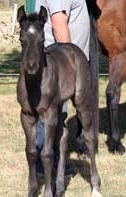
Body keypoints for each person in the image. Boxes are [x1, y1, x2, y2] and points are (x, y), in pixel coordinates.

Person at [34, 0, 91, 174]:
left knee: (55, 113)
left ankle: (51, 158)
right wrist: (71, 63)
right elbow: (59, 25)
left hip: (60, 61)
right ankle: (47, 160)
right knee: (52, 114)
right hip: (60, 62)